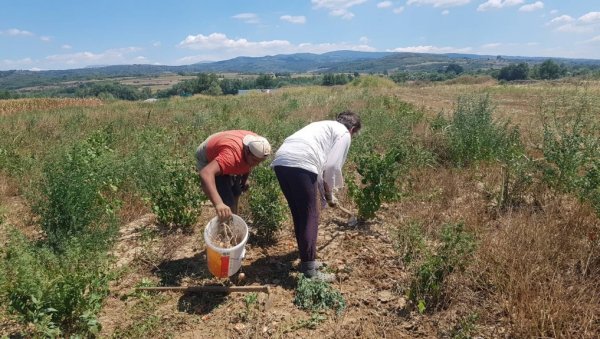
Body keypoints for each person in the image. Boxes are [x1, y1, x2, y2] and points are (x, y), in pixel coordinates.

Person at [271, 111, 361, 282]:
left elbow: (322, 165)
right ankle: (310, 271)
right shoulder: (344, 133)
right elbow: (332, 166)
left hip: (282, 161)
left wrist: (327, 193)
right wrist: (329, 194)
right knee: (311, 215)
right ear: (353, 129)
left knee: (300, 214)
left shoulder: (323, 125)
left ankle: (307, 259)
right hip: (302, 162)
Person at [196, 130, 271, 220]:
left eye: (260, 161)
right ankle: (229, 223)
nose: (257, 164)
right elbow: (206, 173)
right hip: (208, 152)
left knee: (236, 190)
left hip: (224, 142)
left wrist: (244, 180)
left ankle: (234, 217)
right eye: (255, 160)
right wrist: (219, 204)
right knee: (226, 198)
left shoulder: (258, 143)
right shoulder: (231, 157)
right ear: (247, 151)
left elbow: (249, 164)